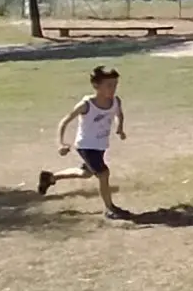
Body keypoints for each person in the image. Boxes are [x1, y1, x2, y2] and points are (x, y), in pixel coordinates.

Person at [39, 65, 133, 220]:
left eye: (115, 84)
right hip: (86, 146)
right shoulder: (87, 105)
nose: (113, 89)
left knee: (86, 173)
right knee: (103, 173)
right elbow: (64, 121)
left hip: (100, 146)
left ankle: (50, 178)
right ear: (96, 86)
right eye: (109, 85)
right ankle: (110, 208)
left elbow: (119, 114)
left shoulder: (115, 101)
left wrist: (120, 128)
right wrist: (60, 143)